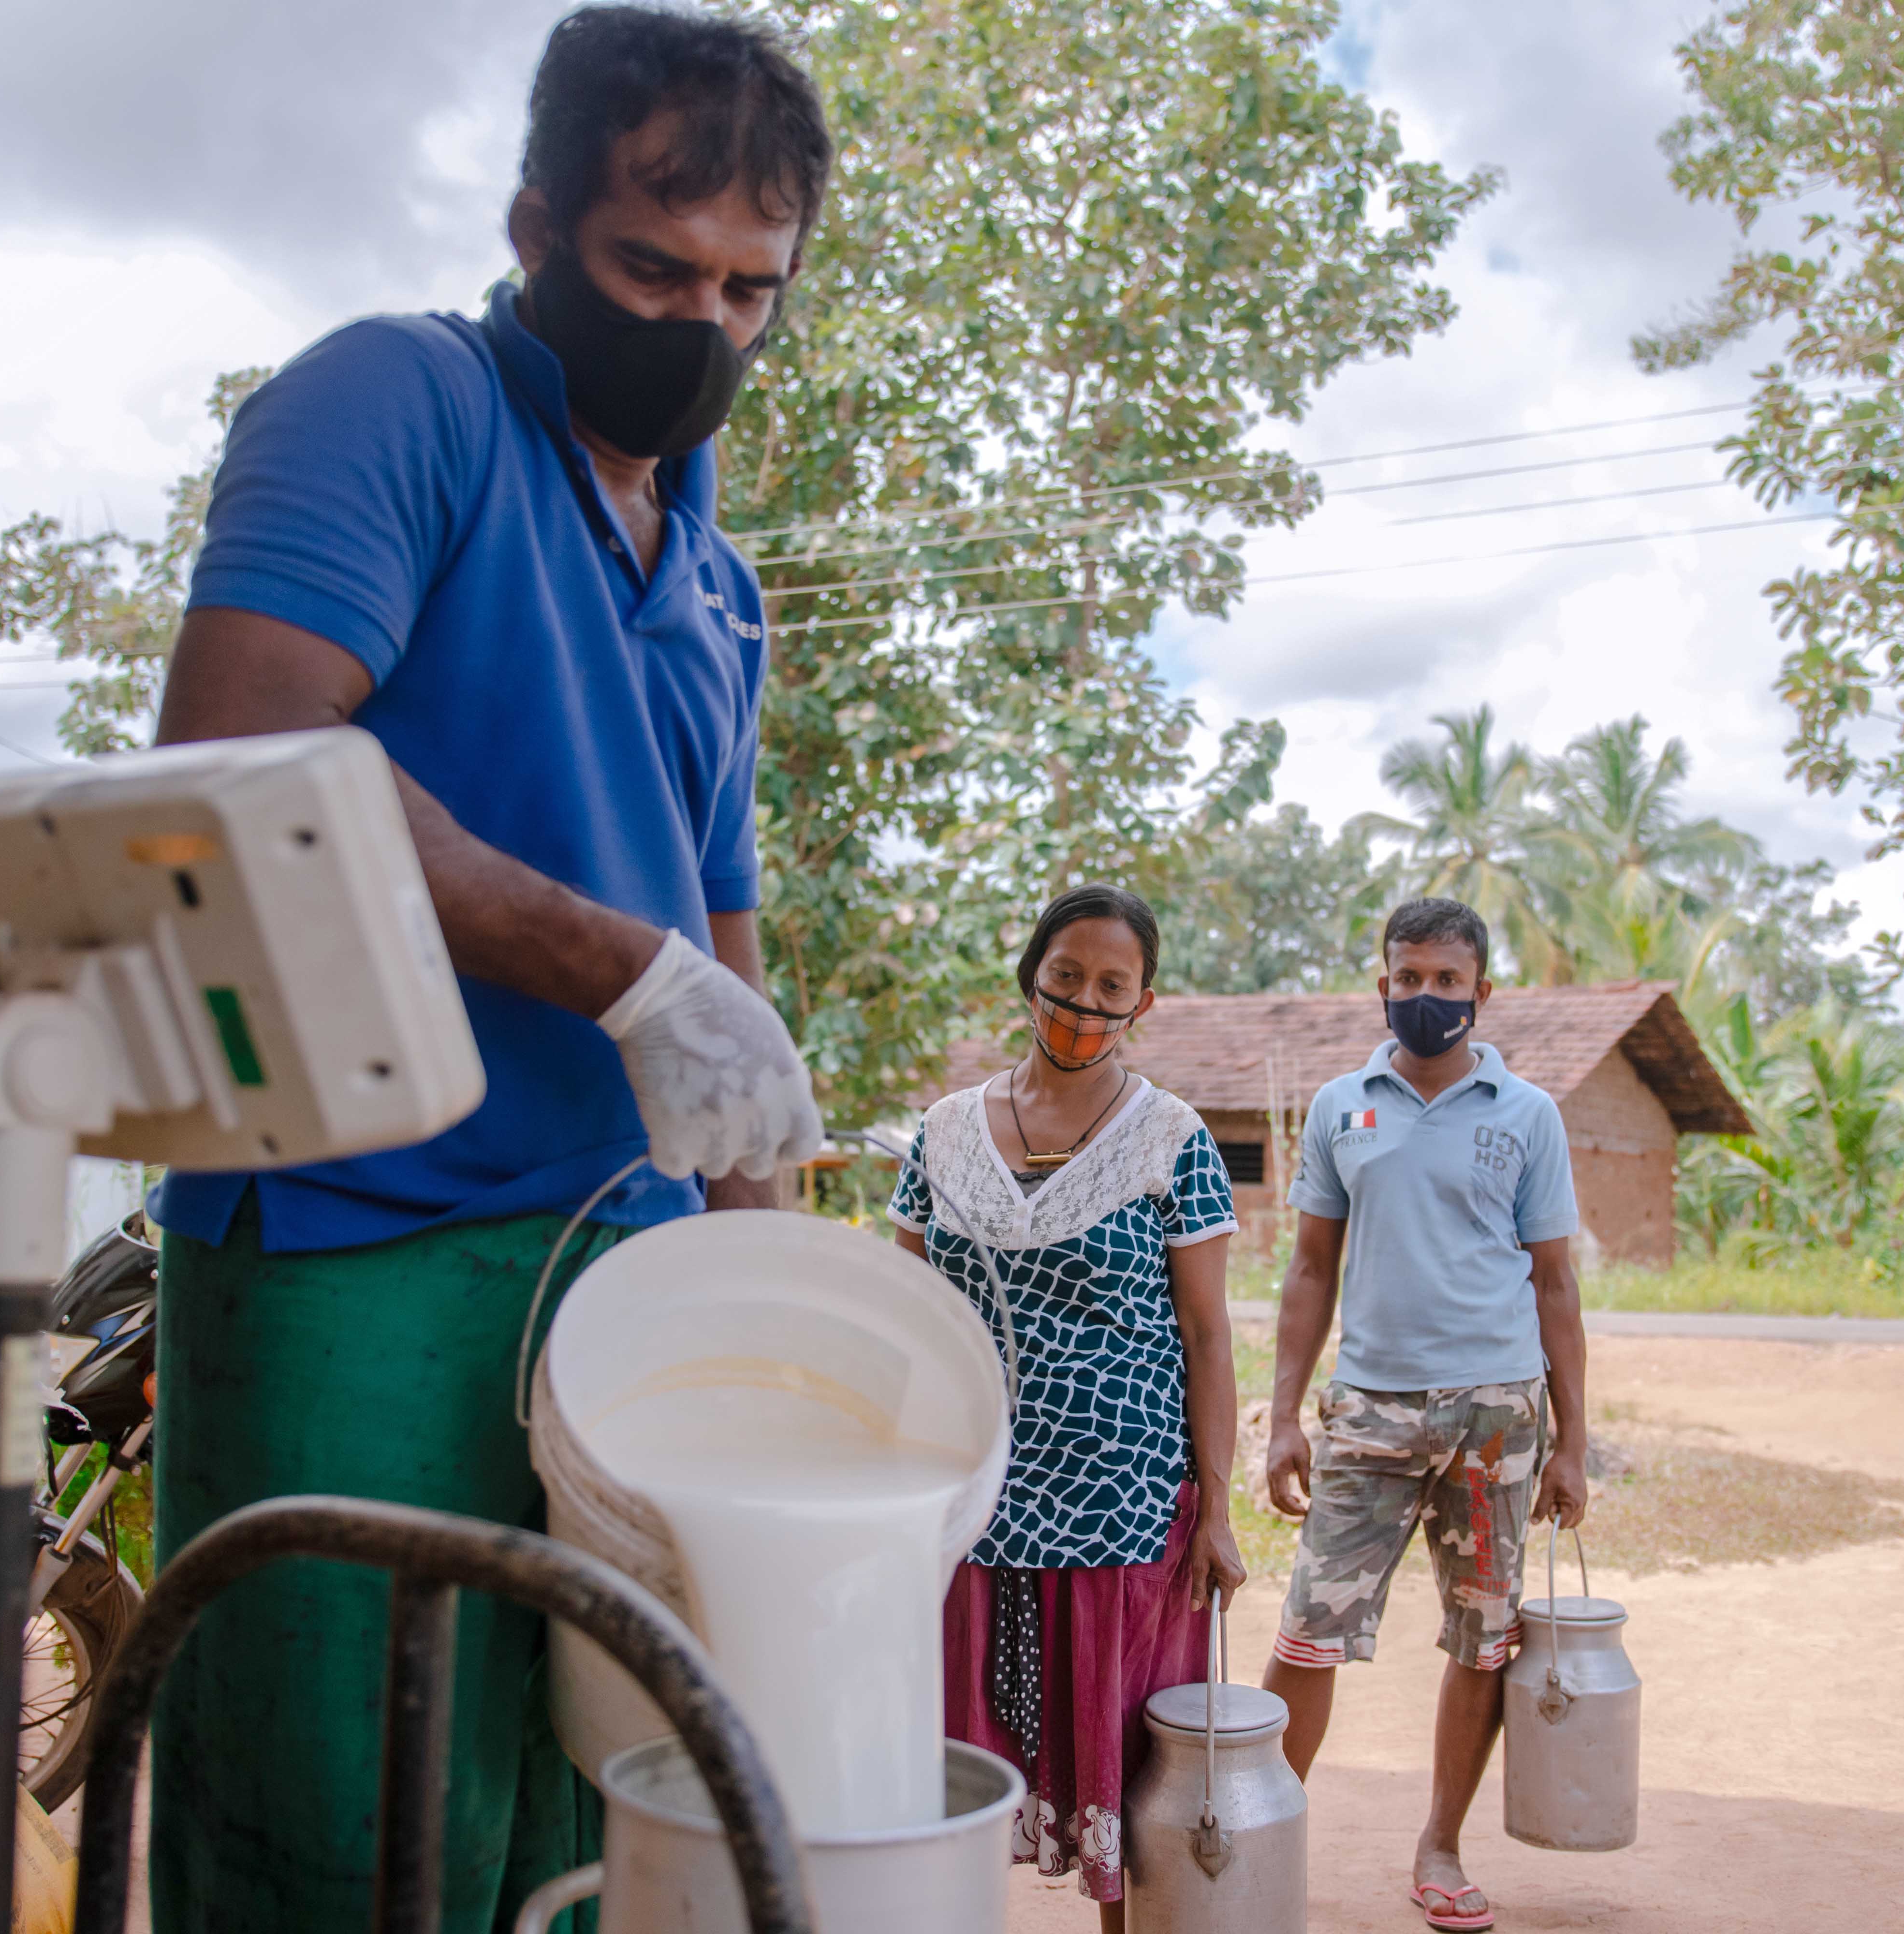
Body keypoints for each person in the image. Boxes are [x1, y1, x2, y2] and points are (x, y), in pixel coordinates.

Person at [138, 11, 830, 1930]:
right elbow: (245, 753)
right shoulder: (400, 402)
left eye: (749, 291)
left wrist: (757, 1236)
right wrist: (619, 974)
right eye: (650, 269)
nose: (702, 327)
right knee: (344, 1819)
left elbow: (723, 928)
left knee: (585, 1807)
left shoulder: (721, 583)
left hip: (614, 1276)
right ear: (534, 225)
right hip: (360, 1234)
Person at [889, 885, 1247, 1927]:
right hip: (967, 1496)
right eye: (1066, 977)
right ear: (1029, 975)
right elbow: (905, 1311)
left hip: (1121, 1504)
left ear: (1145, 1003)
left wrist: (1217, 1506)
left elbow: (1209, 1334)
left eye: (1110, 987)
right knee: (949, 1777)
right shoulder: (945, 1135)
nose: (1083, 1004)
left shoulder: (1170, 1139)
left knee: (1128, 1786)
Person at [1258, 895, 1590, 1934]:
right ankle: (1264, 1839)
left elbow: (1556, 1287)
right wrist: (1280, 1419)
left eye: (1449, 981)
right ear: (1384, 983)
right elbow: (1311, 1269)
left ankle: (1441, 1843)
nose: (1427, 997)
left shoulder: (1527, 1112)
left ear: (1483, 992)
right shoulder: (1339, 1105)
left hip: (1498, 1414)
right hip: (1370, 1409)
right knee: (1308, 1634)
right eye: (1409, 978)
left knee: (1484, 1643)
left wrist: (1574, 1442)